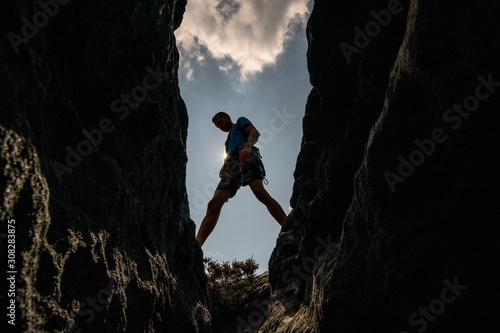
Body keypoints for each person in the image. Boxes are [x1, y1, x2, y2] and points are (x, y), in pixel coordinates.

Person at [195, 112, 287, 247]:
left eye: (220, 122)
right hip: (231, 166)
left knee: (259, 191)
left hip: (246, 153)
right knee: (214, 203)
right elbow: (227, 154)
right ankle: (197, 245)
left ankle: (289, 226)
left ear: (227, 117)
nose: (220, 127)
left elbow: (255, 132)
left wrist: (248, 146)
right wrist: (224, 166)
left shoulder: (240, 122)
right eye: (217, 126)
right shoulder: (227, 141)